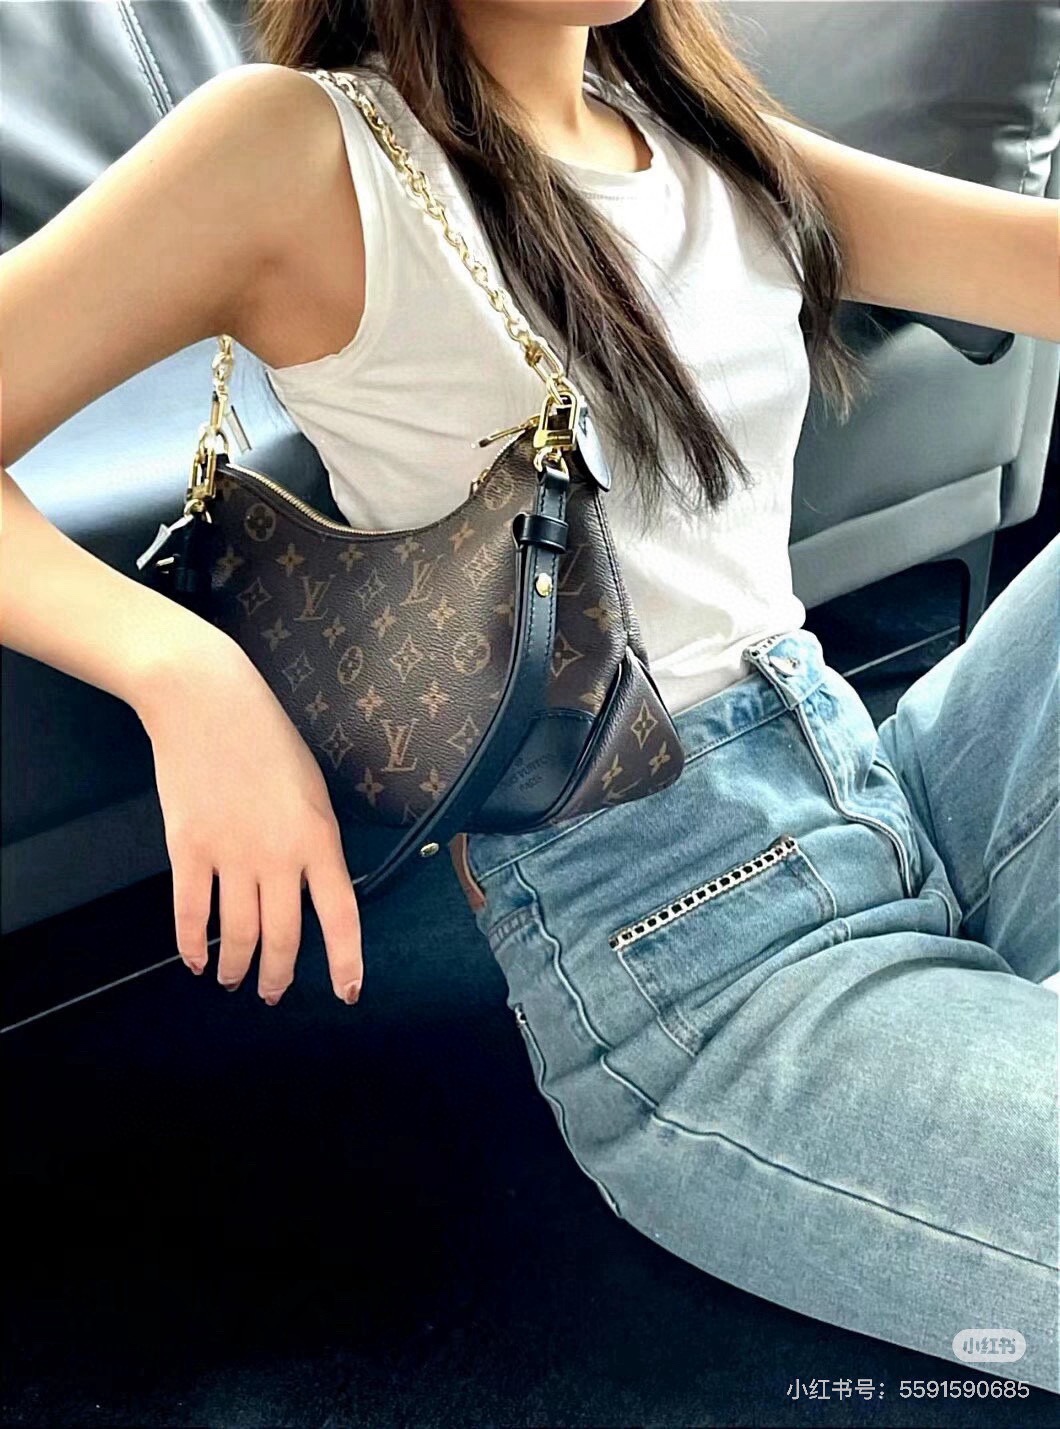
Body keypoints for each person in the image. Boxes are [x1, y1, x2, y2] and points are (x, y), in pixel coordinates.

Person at [2, 0, 1057, 1392]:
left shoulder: (698, 132)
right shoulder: (301, 148)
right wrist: (186, 673)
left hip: (886, 786)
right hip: (705, 966)